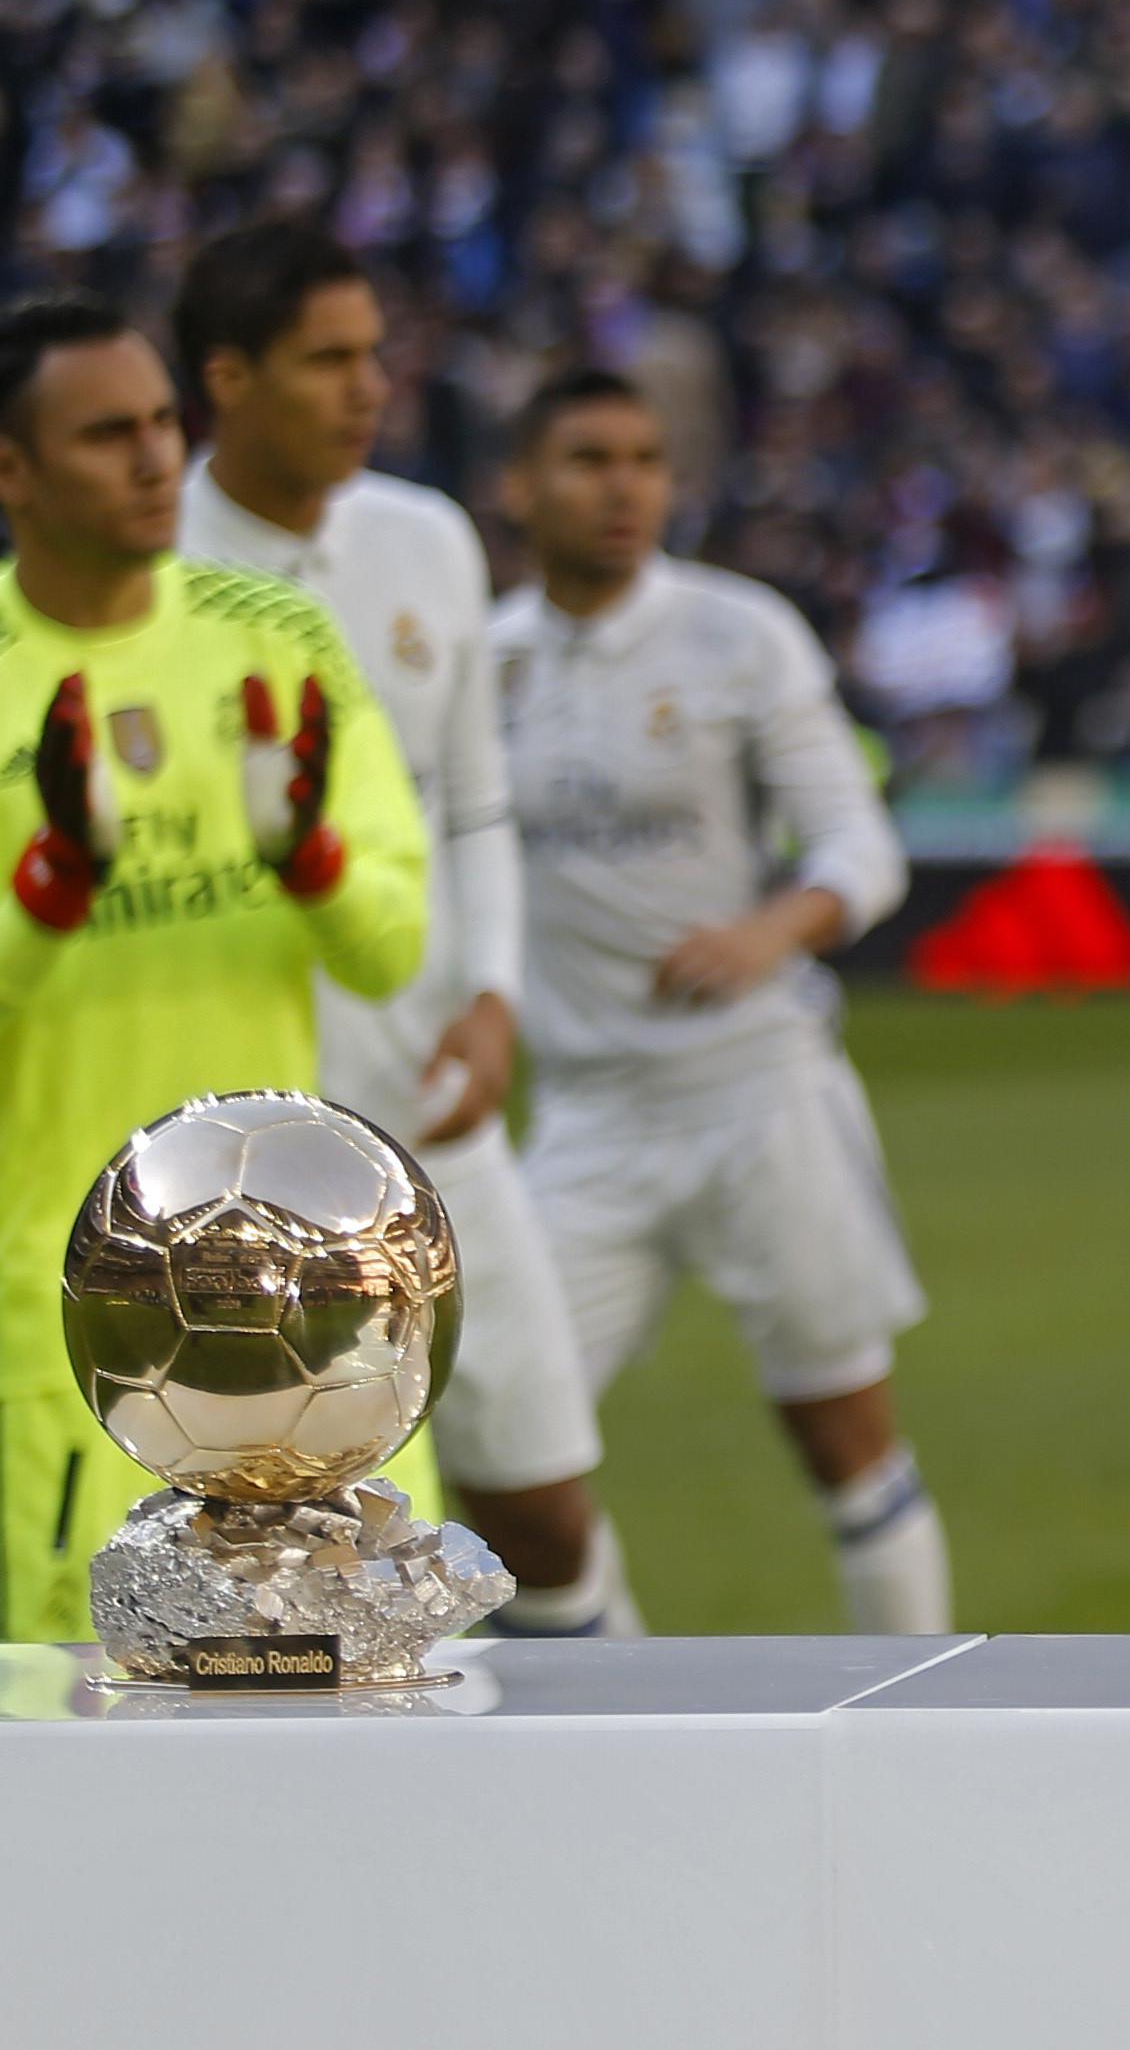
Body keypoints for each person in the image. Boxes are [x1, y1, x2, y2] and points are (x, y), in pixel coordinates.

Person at [175, 224, 629, 1635]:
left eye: (375, 353)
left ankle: (645, 1773)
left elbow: (473, 809)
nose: (369, 385)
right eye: (329, 359)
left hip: (435, 1101)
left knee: (544, 1500)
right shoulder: (157, 575)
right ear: (229, 378)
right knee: (290, 1551)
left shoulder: (422, 537)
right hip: (250, 1149)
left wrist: (489, 995)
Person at [0, 296, 431, 1640]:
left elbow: (389, 945)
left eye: (162, 426)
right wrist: (53, 883)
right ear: (11, 471)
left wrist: (306, 859)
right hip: (67, 1301)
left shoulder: (275, 639)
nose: (150, 460)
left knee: (366, 1680)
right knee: (83, 1707)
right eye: (105, 435)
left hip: (306, 1278)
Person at [492, 370, 943, 1635]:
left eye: (645, 458)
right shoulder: (485, 664)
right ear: (518, 487)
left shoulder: (740, 635)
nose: (625, 483)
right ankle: (620, 1698)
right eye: (587, 457)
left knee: (843, 1437)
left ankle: (913, 1729)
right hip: (586, 1113)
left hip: (757, 1091)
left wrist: (769, 929)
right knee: (498, 1436)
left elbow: (862, 847)